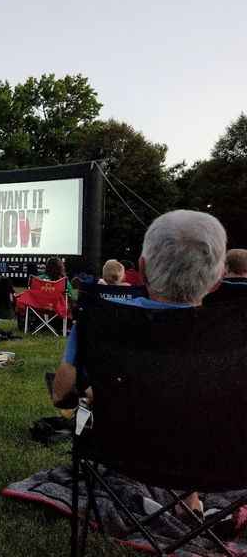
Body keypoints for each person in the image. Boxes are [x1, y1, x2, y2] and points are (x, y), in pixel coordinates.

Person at [52, 210, 227, 517]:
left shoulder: (103, 319)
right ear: (217, 278)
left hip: (124, 451)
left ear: (142, 268)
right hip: (223, 460)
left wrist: (94, 391)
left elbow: (61, 394)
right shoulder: (233, 331)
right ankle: (191, 502)